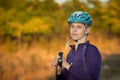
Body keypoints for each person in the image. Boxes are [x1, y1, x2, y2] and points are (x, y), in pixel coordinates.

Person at [51, 11, 101, 80]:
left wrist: (68, 66)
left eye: (79, 27)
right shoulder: (71, 53)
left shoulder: (91, 50)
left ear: (87, 30)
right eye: (72, 26)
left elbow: (92, 78)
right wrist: (59, 69)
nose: (74, 30)